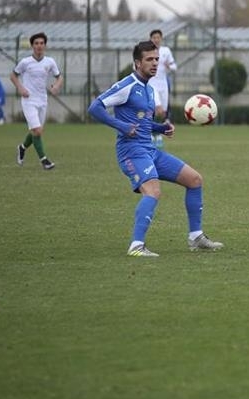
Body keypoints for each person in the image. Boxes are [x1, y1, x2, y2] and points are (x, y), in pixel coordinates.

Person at [88, 40, 223, 257]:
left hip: (149, 150)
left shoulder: (149, 89)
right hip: (131, 152)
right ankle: (136, 246)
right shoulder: (127, 85)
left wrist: (160, 128)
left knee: (194, 180)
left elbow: (142, 122)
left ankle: (196, 237)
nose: (154, 63)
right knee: (153, 191)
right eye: (149, 59)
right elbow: (95, 107)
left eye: (157, 59)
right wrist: (121, 125)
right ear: (137, 63)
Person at [11, 32, 63, 170]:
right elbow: (13, 76)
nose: (39, 46)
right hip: (29, 100)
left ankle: (22, 148)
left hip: (42, 100)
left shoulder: (50, 62)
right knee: (37, 131)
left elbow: (59, 77)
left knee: (36, 131)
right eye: (36, 43)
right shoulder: (25, 62)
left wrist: (56, 86)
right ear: (32, 46)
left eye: (41, 43)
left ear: (45, 45)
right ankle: (44, 160)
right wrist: (21, 88)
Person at [147, 29, 177, 147]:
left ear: (161, 39)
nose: (156, 39)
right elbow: (136, 66)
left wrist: (169, 65)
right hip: (151, 84)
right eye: (154, 37)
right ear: (151, 39)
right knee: (157, 109)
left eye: (158, 37)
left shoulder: (166, 51)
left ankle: (157, 135)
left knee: (163, 113)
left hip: (163, 84)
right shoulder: (147, 51)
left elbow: (174, 66)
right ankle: (151, 134)